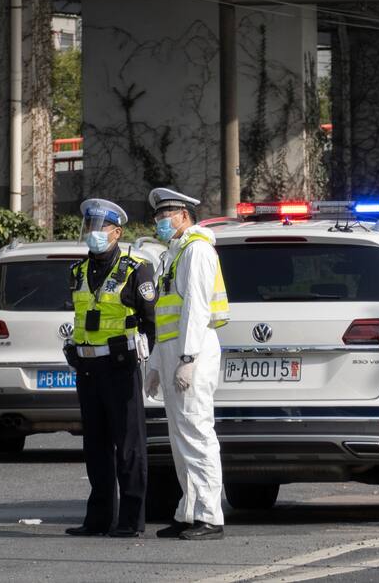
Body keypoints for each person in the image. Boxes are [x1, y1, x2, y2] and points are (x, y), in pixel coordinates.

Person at [63, 198, 158, 538]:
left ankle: (131, 520)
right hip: (88, 369)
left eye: (99, 227)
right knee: (95, 446)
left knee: (129, 445)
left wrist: (148, 360)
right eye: (88, 226)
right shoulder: (77, 271)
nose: (92, 233)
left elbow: (150, 323)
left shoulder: (136, 269)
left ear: (116, 232)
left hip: (121, 367)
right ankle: (98, 519)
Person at [144, 187, 230, 541]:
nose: (162, 222)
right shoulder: (173, 254)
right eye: (158, 216)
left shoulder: (196, 251)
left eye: (168, 215)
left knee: (196, 434)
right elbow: (165, 314)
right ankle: (189, 511)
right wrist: (154, 363)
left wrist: (188, 359)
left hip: (191, 352)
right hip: (173, 352)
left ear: (184, 216)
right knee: (180, 438)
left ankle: (210, 515)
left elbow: (196, 308)